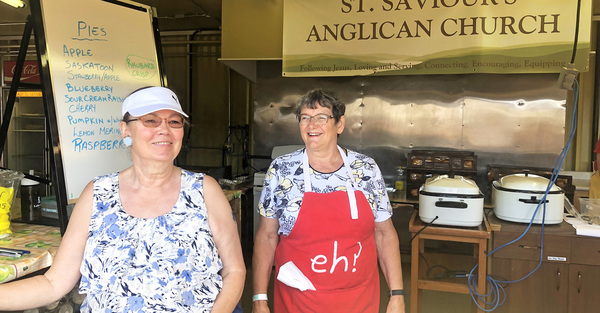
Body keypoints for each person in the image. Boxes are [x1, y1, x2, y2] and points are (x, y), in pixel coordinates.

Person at [0, 86, 246, 312]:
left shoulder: (204, 190)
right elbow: (54, 282)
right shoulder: (97, 194)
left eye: (174, 121)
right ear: (125, 130)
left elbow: (235, 270)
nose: (165, 129)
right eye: (150, 120)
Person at [252, 88, 405, 313]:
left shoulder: (366, 169)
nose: (312, 125)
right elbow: (266, 236)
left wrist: (397, 294)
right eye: (305, 118)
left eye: (322, 117)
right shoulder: (282, 170)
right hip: (298, 302)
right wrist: (259, 298)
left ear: (339, 124)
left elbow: (384, 234)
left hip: (358, 301)